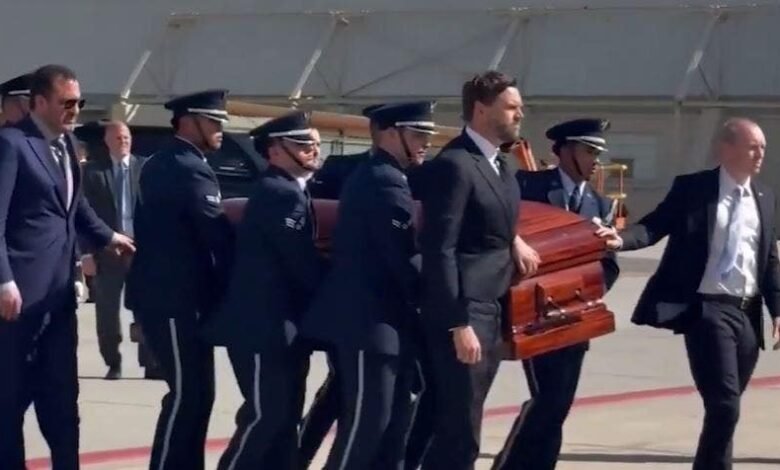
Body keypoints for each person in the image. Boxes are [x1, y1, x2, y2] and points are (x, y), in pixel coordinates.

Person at [598, 117, 780, 470]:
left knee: (725, 409)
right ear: (725, 149)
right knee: (725, 405)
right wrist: (620, 239)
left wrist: (777, 310)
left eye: (763, 148)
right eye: (752, 146)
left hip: (746, 313)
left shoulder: (765, 197)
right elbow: (654, 226)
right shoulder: (694, 189)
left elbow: (770, 260)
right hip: (707, 310)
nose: (760, 154)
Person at [0, 64, 134, 469]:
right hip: (18, 301)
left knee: (62, 401)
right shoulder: (12, 145)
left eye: (79, 103)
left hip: (58, 299)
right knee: (9, 401)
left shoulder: (67, 145)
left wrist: (109, 237)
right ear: (38, 102)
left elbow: (75, 210)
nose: (74, 110)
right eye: (66, 103)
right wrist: (4, 280)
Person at [300, 101, 436, 469]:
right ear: (391, 134)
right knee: (366, 430)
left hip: (386, 325)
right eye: (418, 134)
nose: (426, 142)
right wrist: (450, 293)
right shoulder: (383, 180)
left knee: (391, 428)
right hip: (368, 325)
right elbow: (403, 257)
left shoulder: (385, 176)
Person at [418, 70, 539, 470]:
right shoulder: (454, 165)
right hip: (464, 311)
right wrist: (457, 323)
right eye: (511, 107)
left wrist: (512, 238)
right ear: (481, 109)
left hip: (492, 307)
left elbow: (487, 219)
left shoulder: (501, 166)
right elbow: (439, 248)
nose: (520, 114)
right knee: (460, 432)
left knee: (459, 424)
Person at [493, 118, 621, 470]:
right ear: (564, 151)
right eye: (589, 151)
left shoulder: (600, 204)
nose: (596, 160)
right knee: (548, 397)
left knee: (559, 402)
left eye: (598, 153)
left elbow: (607, 263)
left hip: (576, 316)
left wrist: (585, 294)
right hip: (533, 313)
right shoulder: (528, 186)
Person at [205, 111, 327, 469]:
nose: (312, 150)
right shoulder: (280, 194)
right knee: (267, 416)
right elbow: (301, 264)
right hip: (261, 328)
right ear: (274, 151)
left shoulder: (289, 191)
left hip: (281, 327)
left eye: (315, 144)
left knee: (284, 420)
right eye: (303, 144)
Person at [125, 89, 234, 470]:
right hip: (172, 300)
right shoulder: (185, 166)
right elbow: (215, 233)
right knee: (188, 395)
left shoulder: (171, 161)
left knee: (199, 395)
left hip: (181, 299)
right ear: (190, 121)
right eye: (214, 121)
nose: (221, 128)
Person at [81, 121, 144, 380]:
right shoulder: (94, 173)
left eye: (127, 137)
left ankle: (150, 362)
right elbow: (83, 216)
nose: (123, 141)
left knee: (147, 307)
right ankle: (113, 361)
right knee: (107, 310)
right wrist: (86, 254)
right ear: (107, 141)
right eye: (118, 138)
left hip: (142, 249)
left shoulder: (145, 168)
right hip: (108, 250)